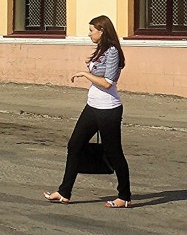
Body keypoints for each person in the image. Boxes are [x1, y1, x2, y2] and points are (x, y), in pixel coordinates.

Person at [43, 15, 132, 208]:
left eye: (92, 30)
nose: (89, 33)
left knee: (114, 152)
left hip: (108, 109)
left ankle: (124, 196)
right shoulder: (101, 50)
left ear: (102, 31)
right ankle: (64, 192)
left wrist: (85, 74)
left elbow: (108, 83)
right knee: (74, 145)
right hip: (92, 107)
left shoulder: (113, 52)